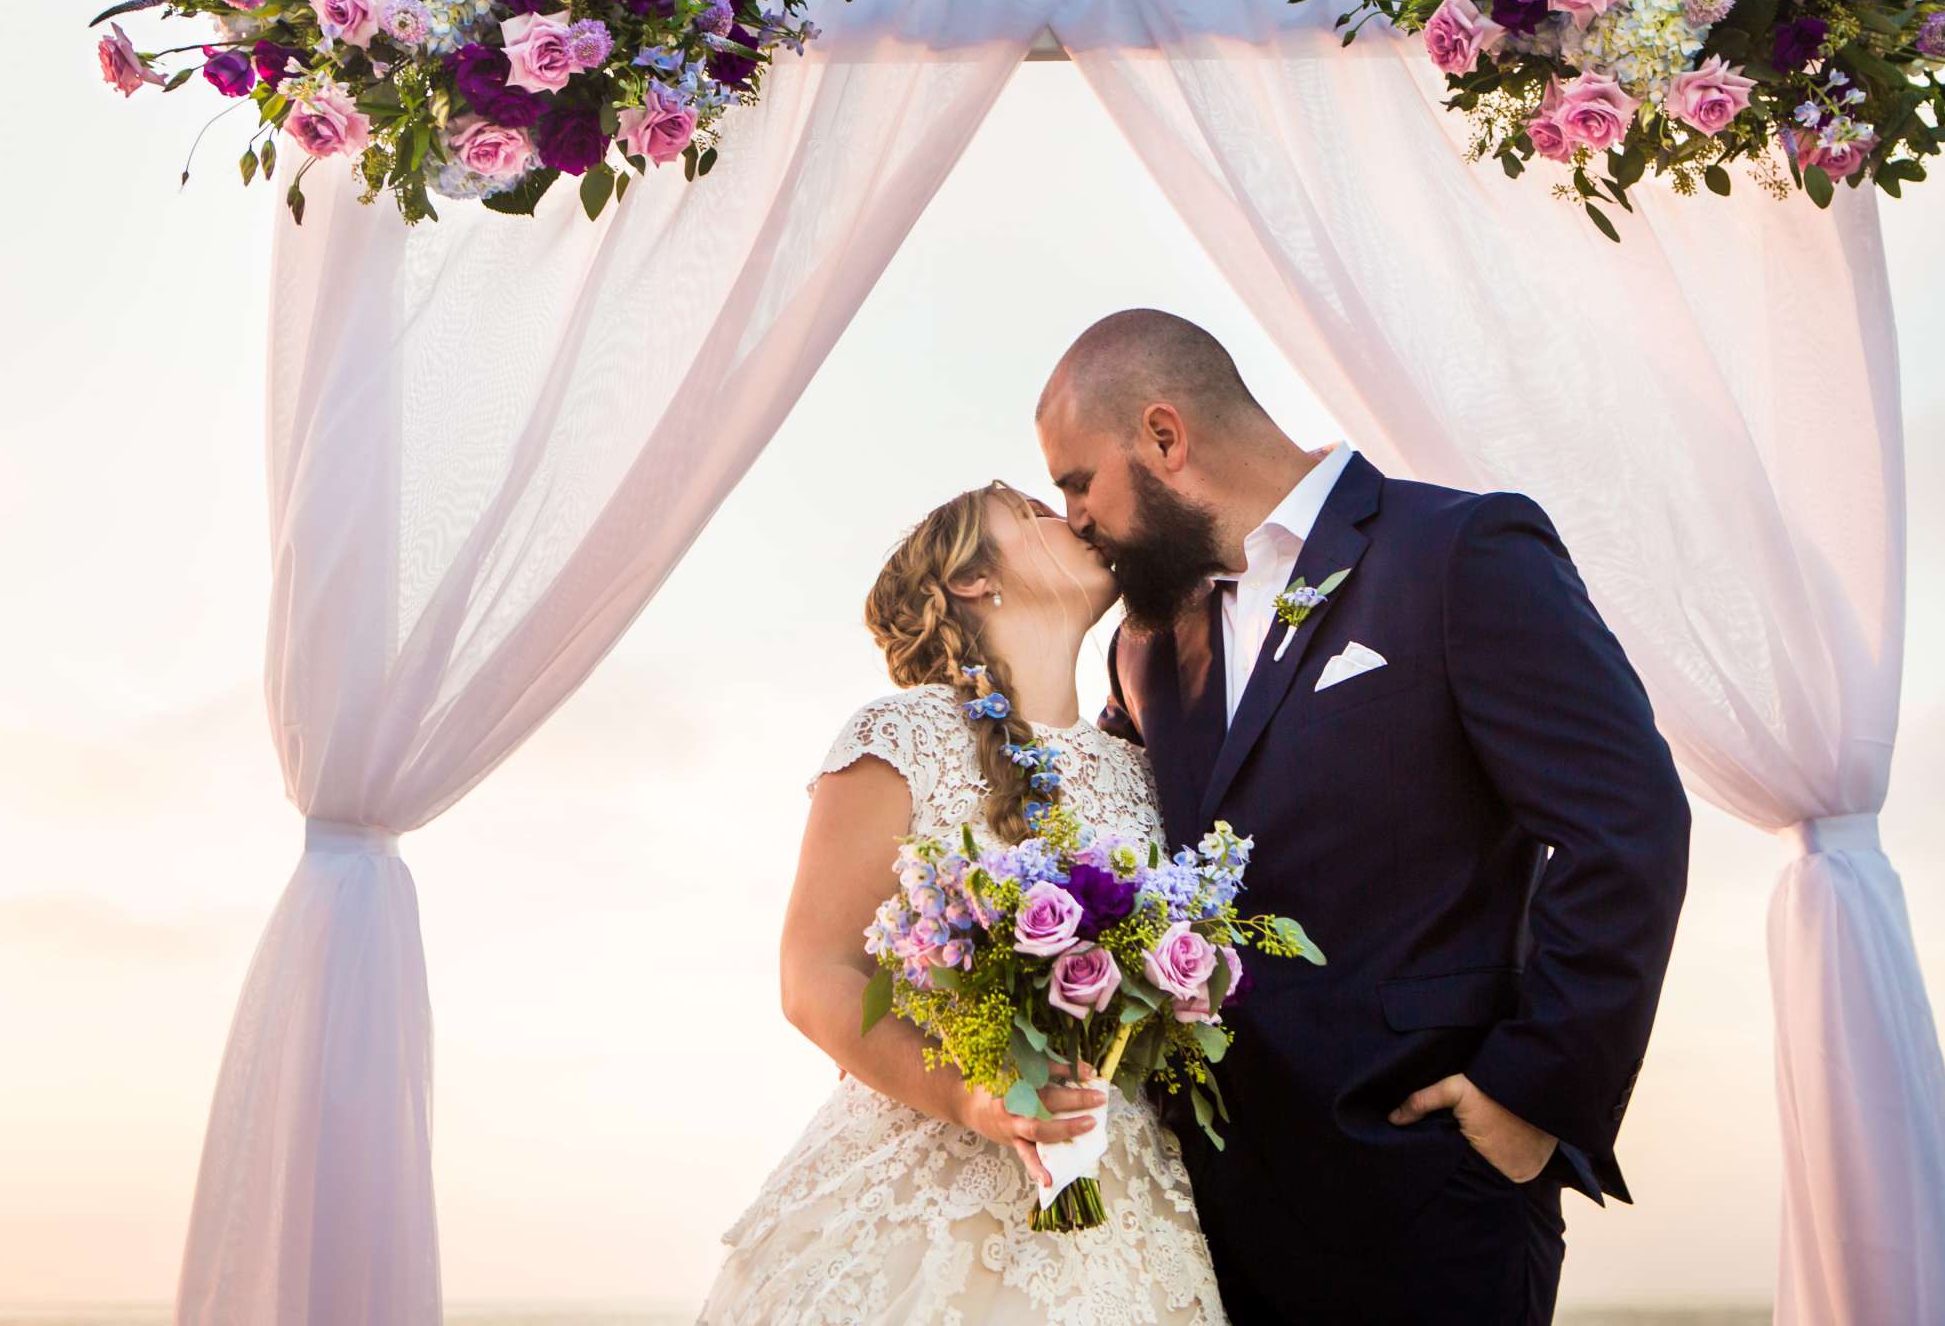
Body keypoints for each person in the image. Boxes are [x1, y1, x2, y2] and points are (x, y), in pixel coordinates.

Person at [1035, 309, 1692, 1324]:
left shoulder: (1461, 551)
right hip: (1203, 1230)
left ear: (1164, 437)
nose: (1072, 516)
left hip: (1425, 1204)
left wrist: (1530, 1092)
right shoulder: (1144, 647)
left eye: (1079, 481)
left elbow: (1630, 822)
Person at [700, 482, 1226, 1324]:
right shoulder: (899, 735)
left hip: (1123, 1193)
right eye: (1035, 514)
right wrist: (976, 1100)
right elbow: (815, 972)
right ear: (975, 581)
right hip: (930, 1186)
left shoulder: (1140, 768)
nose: (1076, 518)